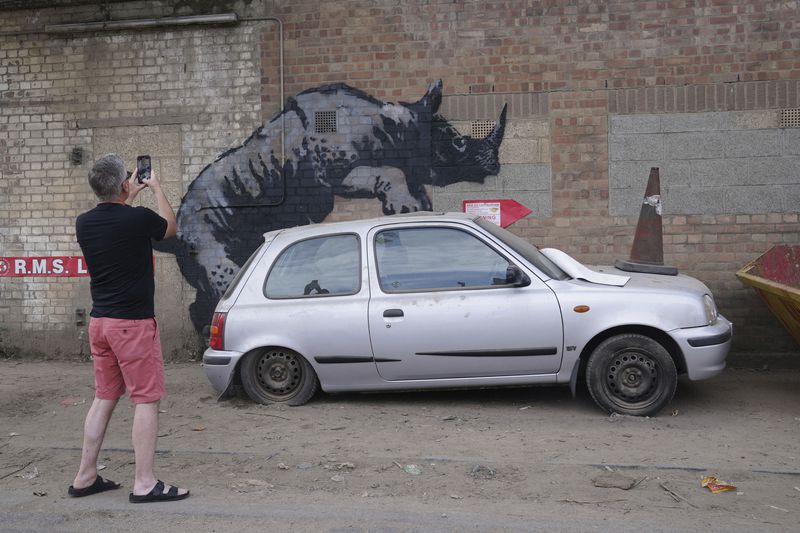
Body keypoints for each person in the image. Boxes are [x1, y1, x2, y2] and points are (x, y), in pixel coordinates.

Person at [69, 154, 189, 503]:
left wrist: (127, 194)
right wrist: (155, 187)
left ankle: (85, 476)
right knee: (146, 400)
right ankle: (145, 482)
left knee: (104, 397)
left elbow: (115, 216)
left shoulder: (84, 223)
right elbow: (169, 227)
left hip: (101, 324)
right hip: (132, 326)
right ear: (125, 183)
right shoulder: (137, 219)